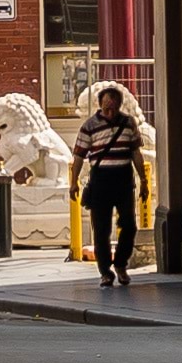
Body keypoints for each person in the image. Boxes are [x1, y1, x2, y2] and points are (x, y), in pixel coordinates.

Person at [69, 84, 149, 290]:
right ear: (100, 105)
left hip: (123, 179)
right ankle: (105, 272)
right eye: (106, 108)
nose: (110, 112)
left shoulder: (129, 123)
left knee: (129, 226)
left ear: (120, 106)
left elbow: (136, 154)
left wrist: (144, 181)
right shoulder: (89, 126)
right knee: (101, 230)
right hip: (100, 180)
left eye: (113, 108)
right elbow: (78, 156)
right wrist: (73, 183)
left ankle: (121, 263)